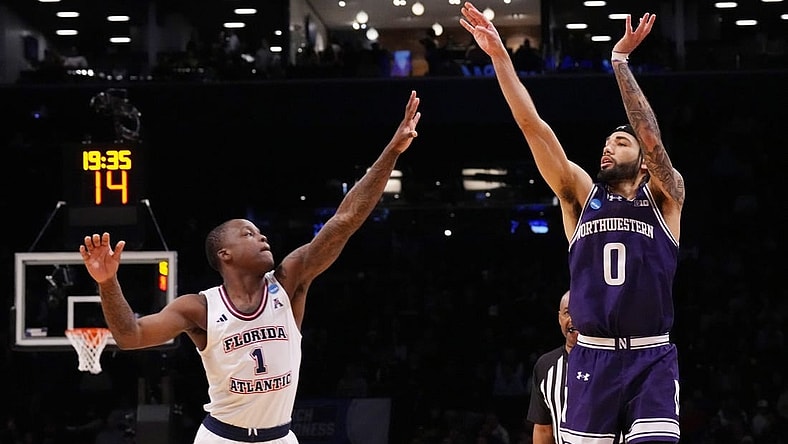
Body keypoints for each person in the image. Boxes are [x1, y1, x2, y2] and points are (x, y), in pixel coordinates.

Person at [78, 90, 422, 444]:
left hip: (280, 437)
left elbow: (345, 219)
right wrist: (107, 282)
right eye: (248, 233)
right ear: (224, 254)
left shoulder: (289, 282)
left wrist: (392, 151)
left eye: (259, 232)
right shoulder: (199, 307)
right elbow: (130, 335)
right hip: (222, 438)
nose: (262, 238)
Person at [461, 4, 683, 443]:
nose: (607, 148)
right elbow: (532, 126)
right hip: (591, 359)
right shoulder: (582, 196)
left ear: (642, 165)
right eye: (606, 142)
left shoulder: (665, 197)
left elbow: (652, 139)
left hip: (651, 356)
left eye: (619, 143)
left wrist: (619, 62)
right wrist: (501, 59)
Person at [526, 290, 576, 444]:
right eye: (567, 313)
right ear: (559, 318)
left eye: (580, 312)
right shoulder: (546, 366)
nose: (573, 319)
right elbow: (543, 429)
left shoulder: (611, 362)